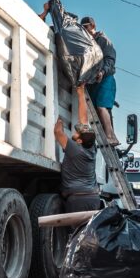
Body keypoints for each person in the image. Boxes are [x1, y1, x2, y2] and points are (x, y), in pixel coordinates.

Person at [55, 85, 100, 212]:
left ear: (79, 140)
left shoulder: (75, 149)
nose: (75, 130)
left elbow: (58, 132)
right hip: (94, 198)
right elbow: (84, 120)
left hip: (78, 200)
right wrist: (81, 93)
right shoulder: (92, 148)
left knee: (76, 225)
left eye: (77, 132)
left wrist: (59, 121)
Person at [80, 16, 119, 146]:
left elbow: (110, 60)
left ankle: (111, 137)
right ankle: (107, 135)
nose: (84, 30)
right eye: (82, 28)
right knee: (96, 110)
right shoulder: (87, 42)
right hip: (93, 81)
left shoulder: (103, 40)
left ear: (93, 25)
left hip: (106, 78)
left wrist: (102, 72)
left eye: (86, 27)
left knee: (102, 107)